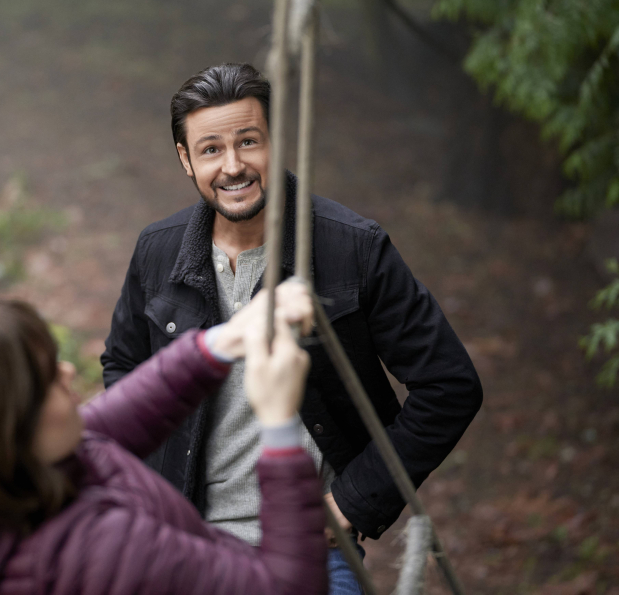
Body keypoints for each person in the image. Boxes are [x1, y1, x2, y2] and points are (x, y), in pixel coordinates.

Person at [101, 62, 483, 592]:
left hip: (312, 551)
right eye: (211, 149)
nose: (233, 166)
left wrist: (351, 503)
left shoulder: (352, 248)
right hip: (186, 550)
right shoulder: (157, 251)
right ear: (186, 159)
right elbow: (123, 366)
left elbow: (449, 386)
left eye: (248, 141)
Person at [0, 284, 329, 595]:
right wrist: (279, 428)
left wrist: (220, 343)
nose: (67, 371)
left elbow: (99, 433)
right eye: (47, 379)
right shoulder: (93, 554)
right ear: (4, 433)